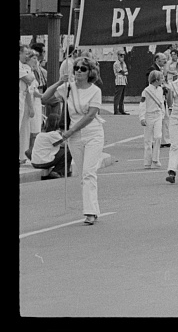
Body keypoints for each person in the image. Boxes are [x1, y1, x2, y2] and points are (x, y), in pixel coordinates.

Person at [40, 57, 105, 225]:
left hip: (92, 133)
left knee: (89, 172)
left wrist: (70, 131)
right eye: (76, 68)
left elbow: (91, 115)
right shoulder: (67, 88)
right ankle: (94, 208)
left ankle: (89, 212)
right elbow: (44, 99)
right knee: (84, 173)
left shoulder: (95, 90)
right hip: (74, 137)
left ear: (90, 72)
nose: (78, 71)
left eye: (83, 69)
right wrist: (58, 82)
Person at [138, 70, 166, 168]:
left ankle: (155, 159)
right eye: (161, 78)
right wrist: (142, 117)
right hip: (149, 115)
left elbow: (162, 102)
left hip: (158, 115)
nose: (163, 80)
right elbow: (142, 104)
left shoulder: (161, 89)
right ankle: (147, 161)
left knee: (158, 137)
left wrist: (163, 113)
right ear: (156, 79)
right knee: (148, 139)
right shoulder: (146, 91)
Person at [112, 50, 129, 115]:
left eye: (123, 55)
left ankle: (121, 110)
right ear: (118, 55)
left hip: (124, 81)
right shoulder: (116, 63)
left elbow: (126, 72)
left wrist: (125, 73)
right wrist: (124, 72)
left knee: (122, 97)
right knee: (117, 97)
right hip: (119, 81)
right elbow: (121, 71)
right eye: (121, 55)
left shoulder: (123, 63)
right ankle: (116, 110)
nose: (122, 56)